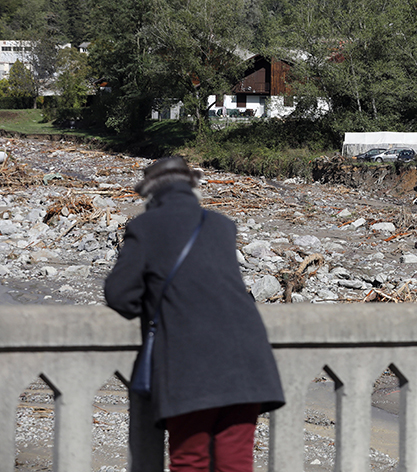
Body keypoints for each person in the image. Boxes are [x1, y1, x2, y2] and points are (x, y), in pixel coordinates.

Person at [104, 157, 284, 472]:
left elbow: (120, 294)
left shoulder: (145, 227)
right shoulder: (221, 225)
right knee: (236, 463)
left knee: (190, 462)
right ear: (191, 187)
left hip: (190, 364)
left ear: (151, 194)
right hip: (248, 359)